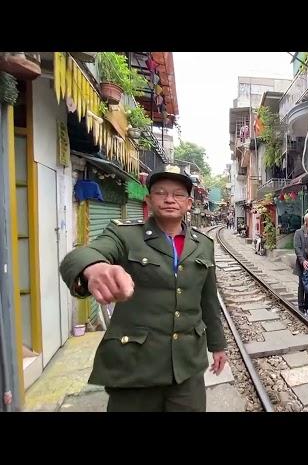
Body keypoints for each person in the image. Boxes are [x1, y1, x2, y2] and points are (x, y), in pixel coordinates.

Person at [59, 164, 227, 412]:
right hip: (135, 366)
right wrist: (94, 267)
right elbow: (81, 256)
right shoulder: (125, 234)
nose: (170, 199)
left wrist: (218, 345)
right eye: (161, 192)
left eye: (178, 194)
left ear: (189, 203)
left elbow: (208, 299)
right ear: (148, 199)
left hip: (186, 367)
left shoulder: (203, 244)